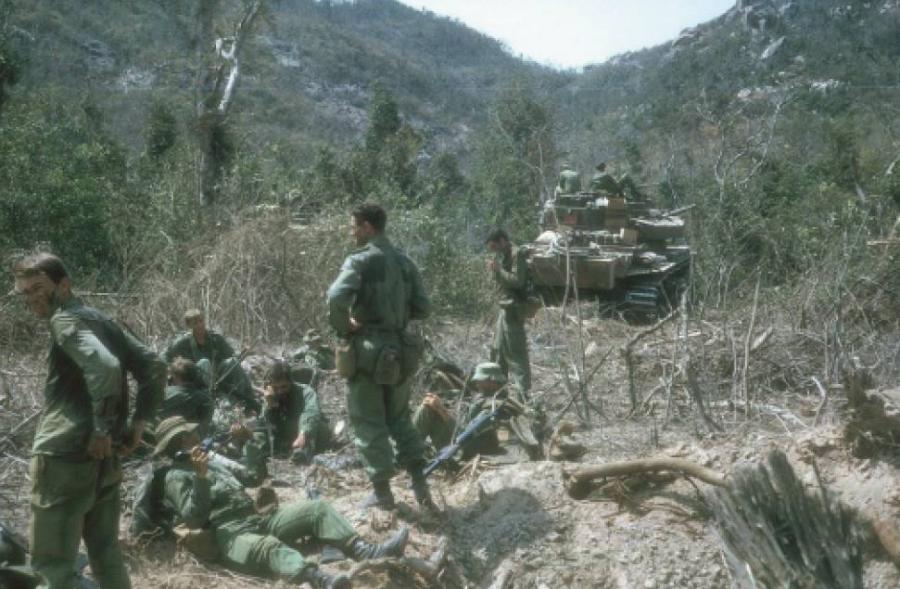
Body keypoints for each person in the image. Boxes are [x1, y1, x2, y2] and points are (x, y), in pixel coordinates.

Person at [12, 253, 165, 589]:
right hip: (104, 459)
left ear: (64, 285)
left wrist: (100, 428)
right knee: (106, 553)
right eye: (25, 292)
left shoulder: (63, 320)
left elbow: (106, 367)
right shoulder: (103, 320)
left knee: (52, 567)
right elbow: (153, 367)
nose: (31, 297)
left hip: (63, 457)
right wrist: (137, 424)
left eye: (38, 287)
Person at [154, 417, 409, 589]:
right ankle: (318, 579)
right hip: (230, 535)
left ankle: (367, 551)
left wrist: (249, 441)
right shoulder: (176, 475)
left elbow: (253, 476)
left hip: (256, 518)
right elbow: (194, 518)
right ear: (181, 442)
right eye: (191, 434)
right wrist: (199, 478)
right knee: (270, 546)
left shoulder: (213, 460)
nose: (197, 435)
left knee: (317, 509)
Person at [326, 203, 434, 511]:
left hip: (368, 352)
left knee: (368, 421)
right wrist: (396, 317)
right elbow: (424, 308)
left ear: (367, 228)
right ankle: (420, 486)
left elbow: (335, 297)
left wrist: (346, 326)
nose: (351, 232)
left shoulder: (361, 260)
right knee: (400, 419)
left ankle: (383, 493)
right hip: (400, 351)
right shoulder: (404, 261)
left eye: (354, 226)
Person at [163, 309, 261, 415]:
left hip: (217, 377)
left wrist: (244, 353)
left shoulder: (214, 338)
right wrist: (174, 370)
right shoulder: (182, 341)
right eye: (195, 323)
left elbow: (232, 356)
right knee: (204, 363)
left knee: (232, 362)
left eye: (201, 321)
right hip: (196, 380)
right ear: (189, 325)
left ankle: (243, 399)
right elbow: (165, 358)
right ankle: (208, 398)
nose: (200, 325)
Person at [485, 229, 532, 394]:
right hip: (503, 309)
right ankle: (498, 393)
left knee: (516, 355)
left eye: (495, 246)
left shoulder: (516, 254)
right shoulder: (503, 255)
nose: (494, 251)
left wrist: (499, 270)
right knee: (497, 351)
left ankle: (523, 396)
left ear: (502, 241)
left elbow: (517, 281)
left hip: (513, 310)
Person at [260, 360, 329, 464]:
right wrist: (270, 405)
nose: (280, 391)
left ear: (291, 382)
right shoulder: (270, 395)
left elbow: (311, 413)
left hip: (306, 431)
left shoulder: (306, 392)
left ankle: (302, 453)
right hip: (284, 434)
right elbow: (265, 423)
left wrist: (303, 433)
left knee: (316, 425)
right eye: (276, 388)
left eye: (284, 387)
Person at [159, 358, 214, 434]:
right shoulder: (206, 400)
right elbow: (204, 428)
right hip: (189, 441)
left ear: (177, 377)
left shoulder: (163, 393)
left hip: (161, 436)